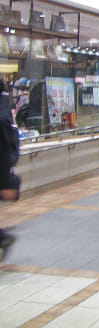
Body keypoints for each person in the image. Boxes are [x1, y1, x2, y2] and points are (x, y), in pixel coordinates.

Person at [0, 79, 17, 260]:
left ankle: (3, 238)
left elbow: (3, 152)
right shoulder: (4, 115)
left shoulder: (1, 118)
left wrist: (5, 182)